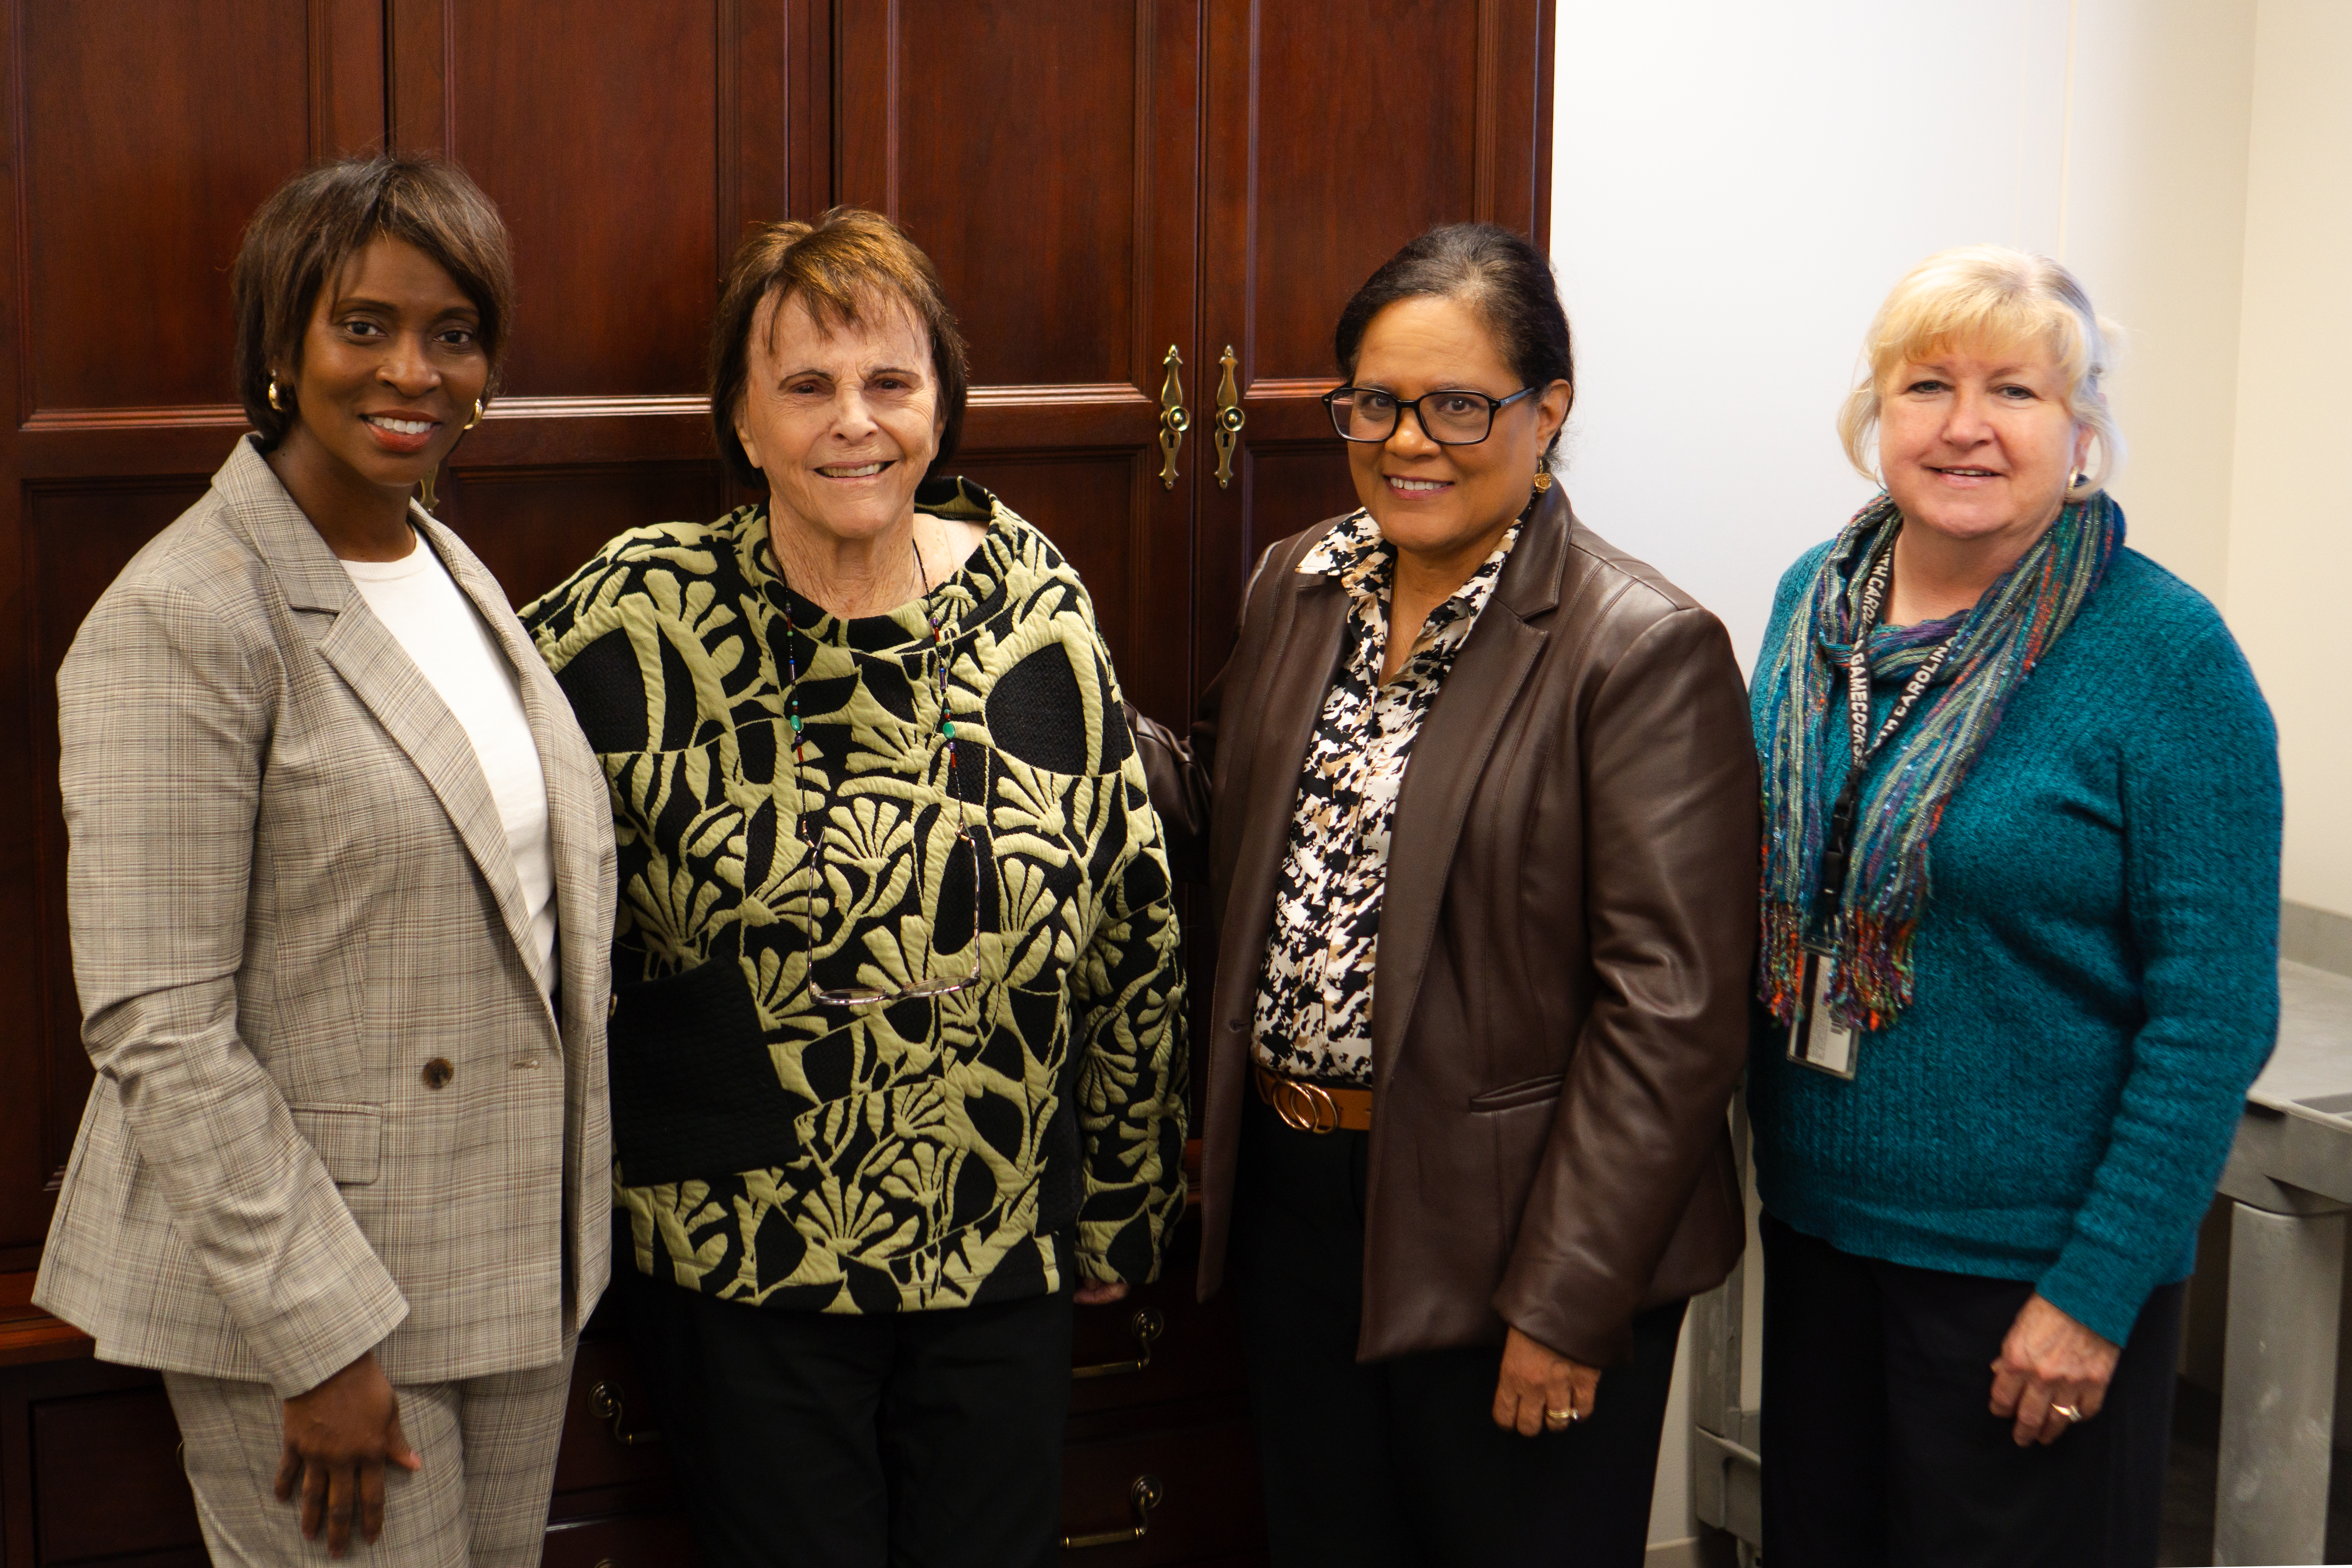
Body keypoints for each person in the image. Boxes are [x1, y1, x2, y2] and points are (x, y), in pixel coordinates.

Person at [520, 207, 1187, 1567]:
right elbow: (470, 840)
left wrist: (1122, 1198)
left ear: (940, 403)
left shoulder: (1030, 601)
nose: (854, 424)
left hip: (1000, 1244)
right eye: (807, 386)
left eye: (890, 382)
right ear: (742, 419)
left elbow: (1128, 915)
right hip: (734, 1260)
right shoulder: (632, 614)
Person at [1132, 222, 1757, 1566]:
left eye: (1457, 405)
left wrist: (1566, 1301)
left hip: (1512, 1235)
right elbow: (1232, 830)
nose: (1406, 442)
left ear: (1548, 411)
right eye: (1373, 403)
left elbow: (1674, 1019)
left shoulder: (1640, 651)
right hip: (1301, 1207)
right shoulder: (1301, 584)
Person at [34, 154, 616, 1563]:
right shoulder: (185, 612)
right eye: (363, 325)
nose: (411, 370)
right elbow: (157, 1024)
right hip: (320, 1300)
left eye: (453, 333)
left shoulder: (446, 565)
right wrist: (319, 1335)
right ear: (282, 348)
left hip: (505, 1253)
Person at [1748, 246, 2281, 1567]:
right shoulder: (1813, 600)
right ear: (1876, 413)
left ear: (2081, 427)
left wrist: (2093, 1293)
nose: (1966, 426)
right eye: (1926, 384)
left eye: (2016, 392)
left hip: (2029, 1266)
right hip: (1819, 1228)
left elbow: (2211, 1014)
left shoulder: (2164, 657)